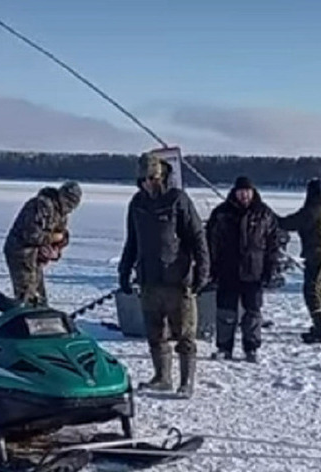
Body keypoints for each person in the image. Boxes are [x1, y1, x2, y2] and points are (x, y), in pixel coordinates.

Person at [118, 153, 210, 398]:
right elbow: (132, 241)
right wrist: (124, 270)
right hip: (149, 279)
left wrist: (202, 271)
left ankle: (186, 381)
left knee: (185, 334)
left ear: (162, 176)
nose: (149, 183)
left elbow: (197, 237)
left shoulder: (178, 200)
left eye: (153, 178)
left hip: (177, 281)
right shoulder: (137, 203)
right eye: (144, 179)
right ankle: (162, 377)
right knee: (155, 333)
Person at [206, 176, 281, 362]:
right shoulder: (221, 213)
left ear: (253, 192)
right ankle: (224, 347)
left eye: (247, 191)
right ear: (235, 192)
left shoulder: (264, 213)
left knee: (253, 312)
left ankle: (251, 348)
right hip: (227, 270)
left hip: (254, 271)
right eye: (241, 191)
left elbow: (273, 244)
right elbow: (210, 243)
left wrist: (270, 269)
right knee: (225, 312)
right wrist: (211, 268)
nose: (244, 195)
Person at [279, 178, 321, 344]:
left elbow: (288, 223)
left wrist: (267, 215)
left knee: (312, 291)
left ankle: (320, 330)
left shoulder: (313, 210)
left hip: (319, 256)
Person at [3, 180, 82, 306]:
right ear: (61, 196)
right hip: (20, 253)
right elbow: (32, 235)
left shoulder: (61, 213)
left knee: (39, 296)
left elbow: (62, 235)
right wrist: (54, 238)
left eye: (73, 205)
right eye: (69, 202)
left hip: (35, 257)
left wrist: (56, 249)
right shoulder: (41, 206)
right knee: (27, 296)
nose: (69, 208)